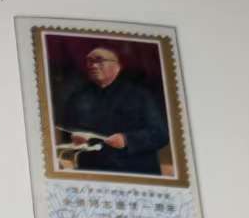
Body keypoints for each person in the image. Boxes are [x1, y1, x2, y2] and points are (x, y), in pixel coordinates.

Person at [55, 45, 170, 176]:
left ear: (117, 67)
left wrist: (127, 140)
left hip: (134, 170)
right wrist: (74, 138)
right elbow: (66, 131)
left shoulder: (140, 95)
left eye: (99, 61)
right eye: (89, 61)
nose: (93, 65)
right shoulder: (78, 97)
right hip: (92, 172)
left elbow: (160, 134)